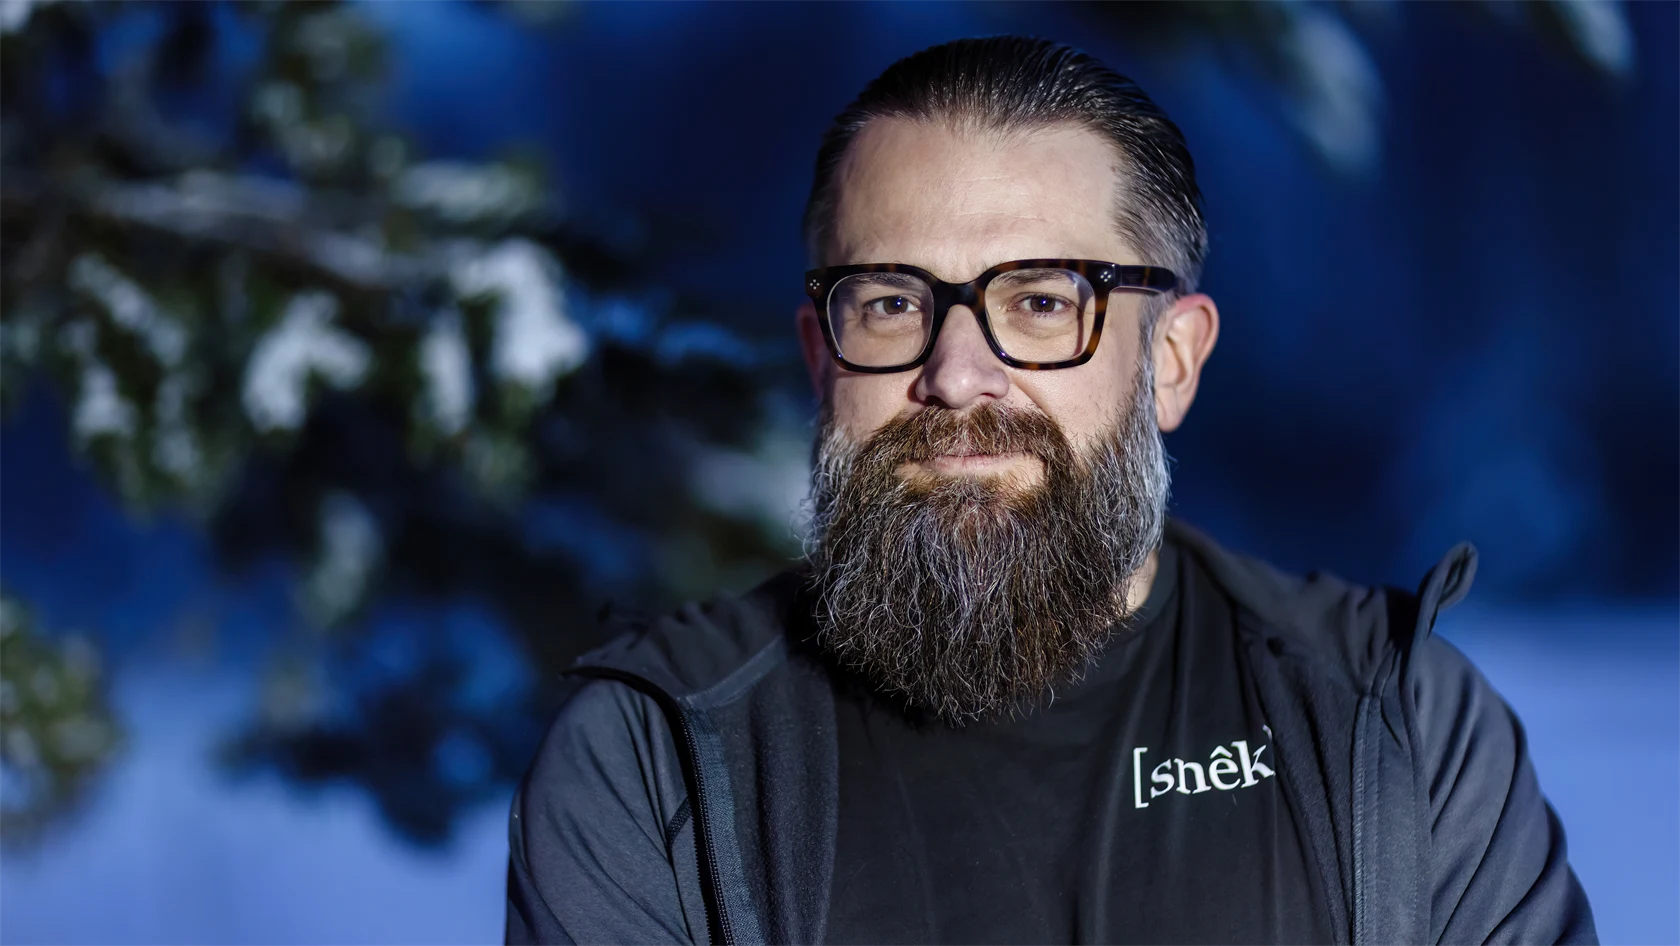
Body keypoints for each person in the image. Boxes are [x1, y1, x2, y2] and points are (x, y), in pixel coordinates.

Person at [504, 36, 1597, 946]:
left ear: (1171, 361)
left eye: (1040, 302)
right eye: (891, 304)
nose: (957, 374)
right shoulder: (658, 756)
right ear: (820, 357)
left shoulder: (1387, 727)